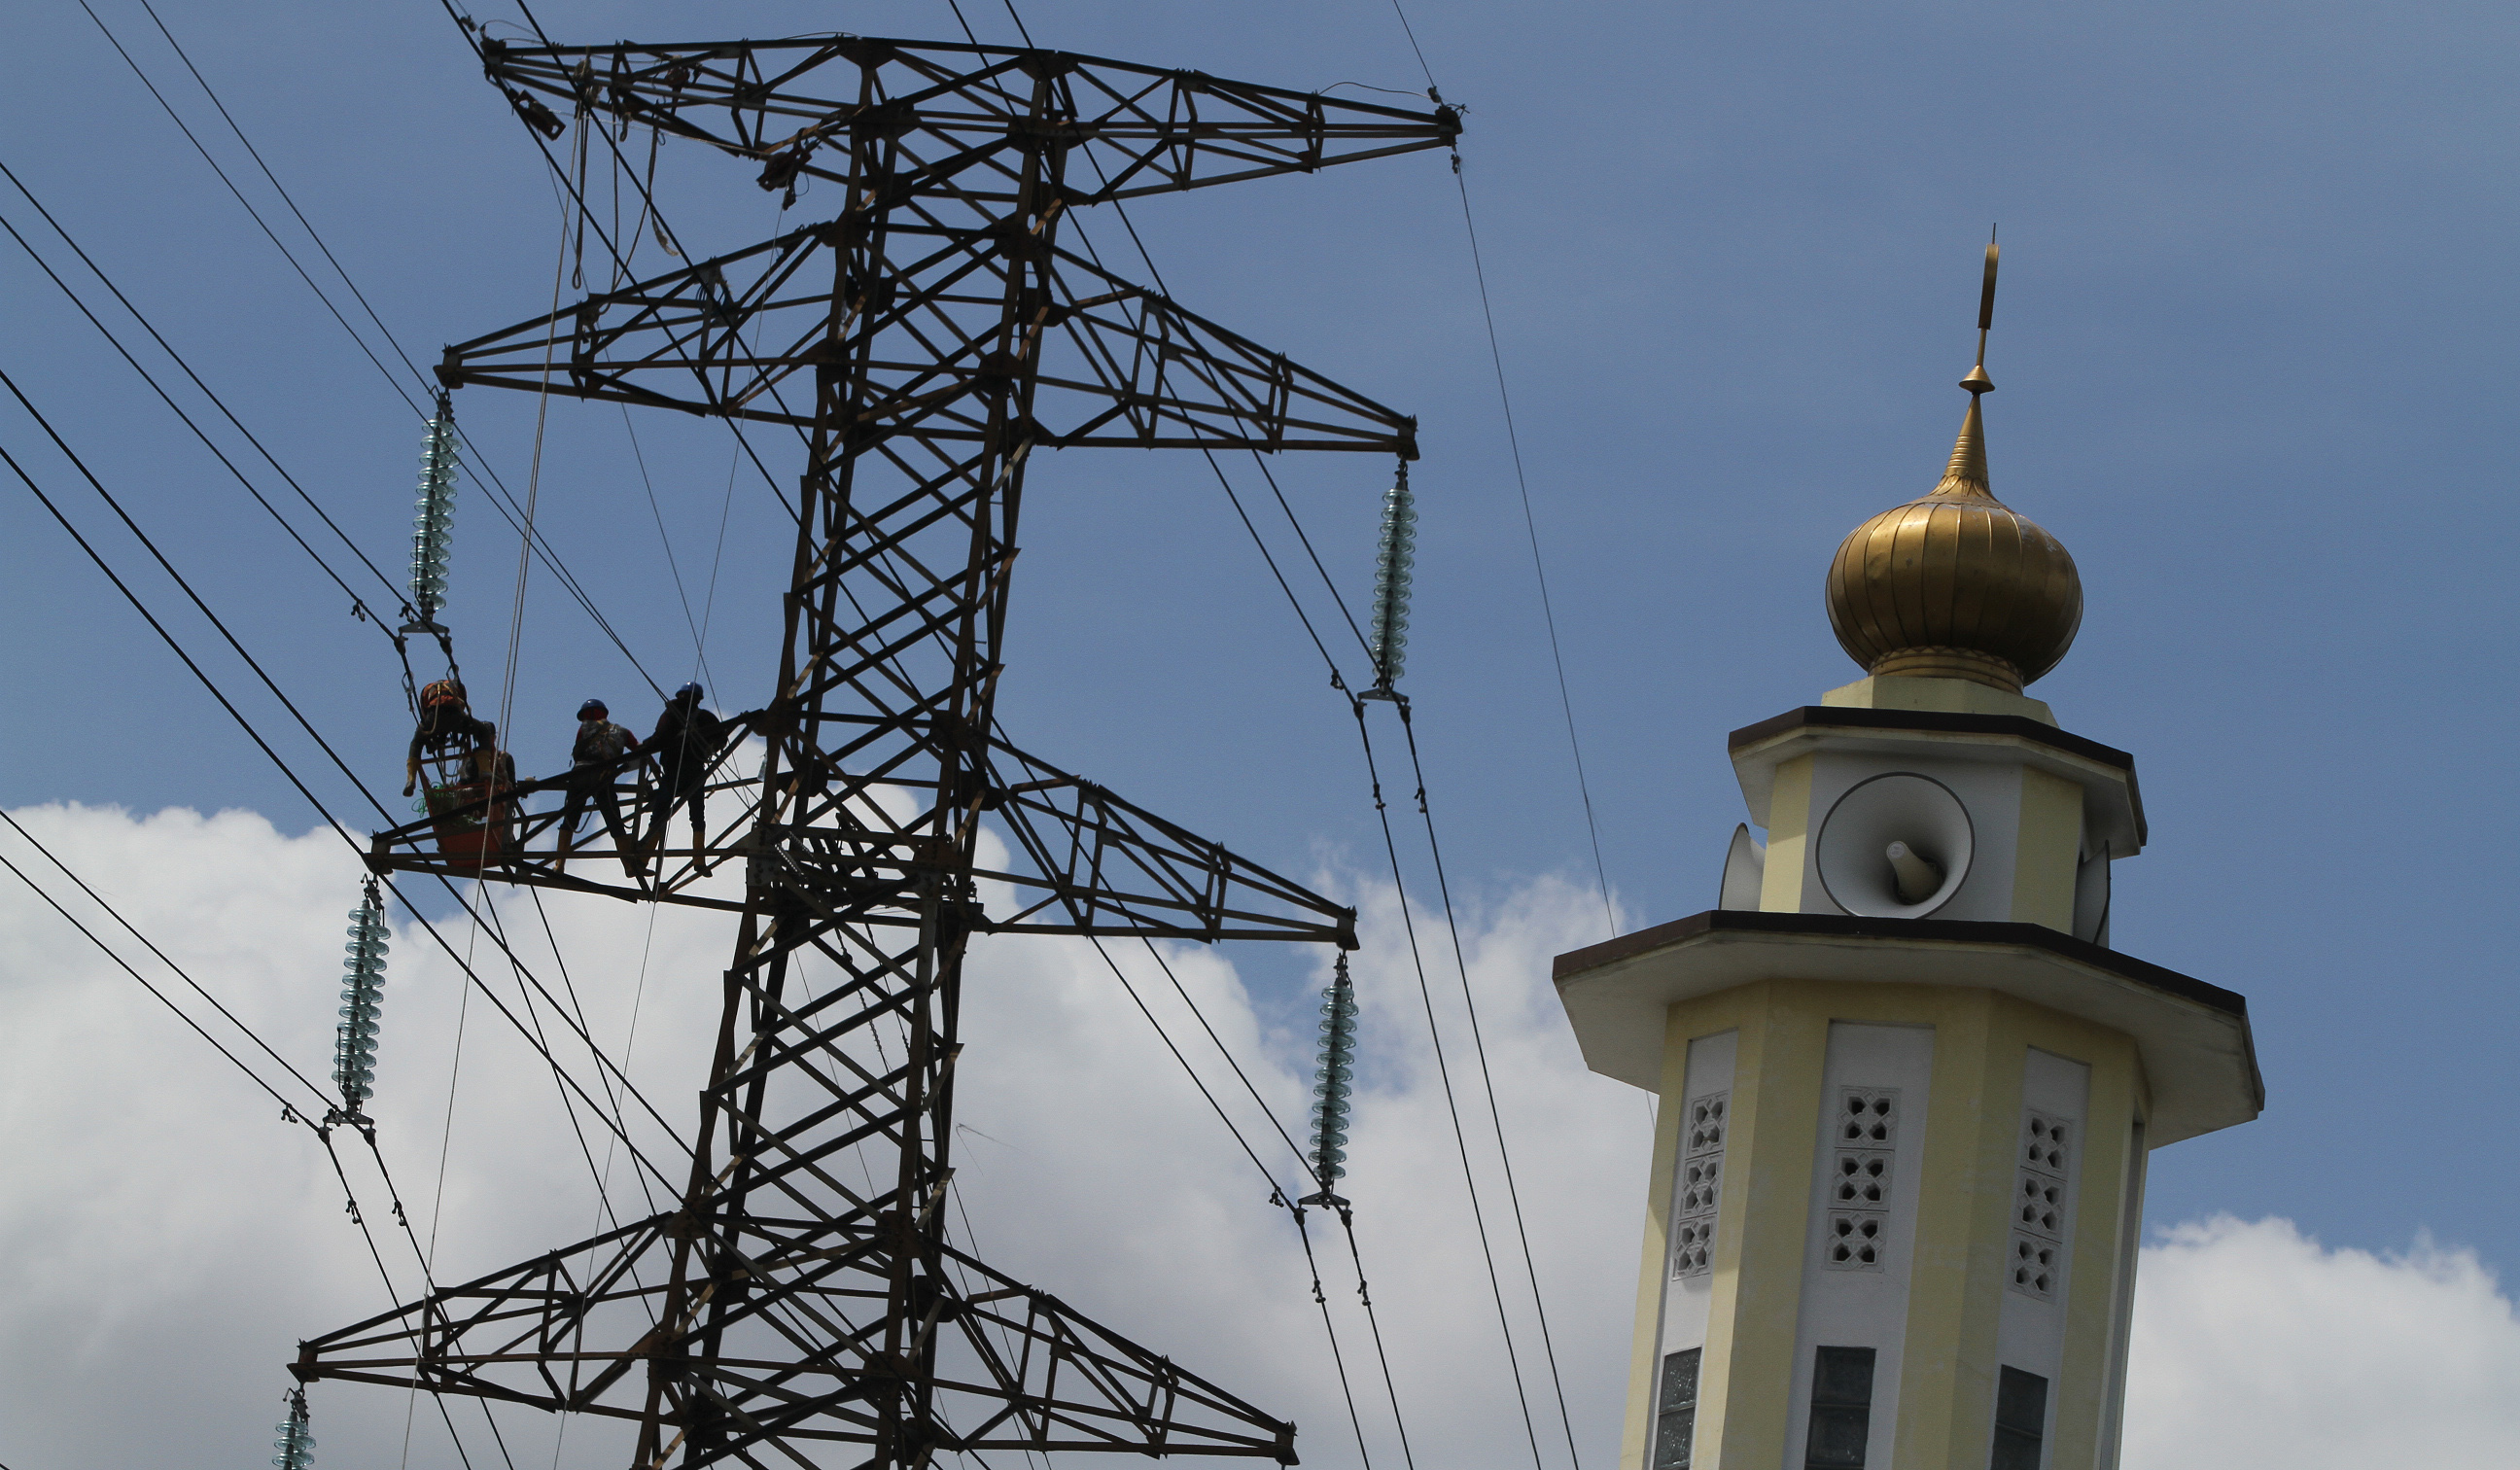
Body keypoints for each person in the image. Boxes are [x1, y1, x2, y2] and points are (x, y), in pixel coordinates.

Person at [642, 682, 726, 875]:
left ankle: (643, 859)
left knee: (660, 813)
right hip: (695, 771)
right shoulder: (705, 717)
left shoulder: (670, 715)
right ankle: (699, 860)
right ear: (698, 699)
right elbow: (722, 738)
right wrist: (709, 747)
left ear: (680, 695)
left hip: (674, 772)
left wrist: (645, 746)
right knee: (697, 816)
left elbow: (660, 738)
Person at [554, 698, 645, 877]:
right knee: (614, 821)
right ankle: (628, 865)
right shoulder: (623, 732)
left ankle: (559, 864)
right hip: (603, 777)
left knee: (570, 820)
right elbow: (639, 750)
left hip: (579, 775)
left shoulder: (584, 729)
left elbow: (578, 752)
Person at [404, 678, 494, 797]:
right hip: (455, 716)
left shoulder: (427, 689)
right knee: (482, 731)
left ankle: (411, 779)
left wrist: (431, 740)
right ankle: (485, 770)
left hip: (433, 717)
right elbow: (462, 706)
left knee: (416, 742)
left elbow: (424, 715)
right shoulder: (456, 686)